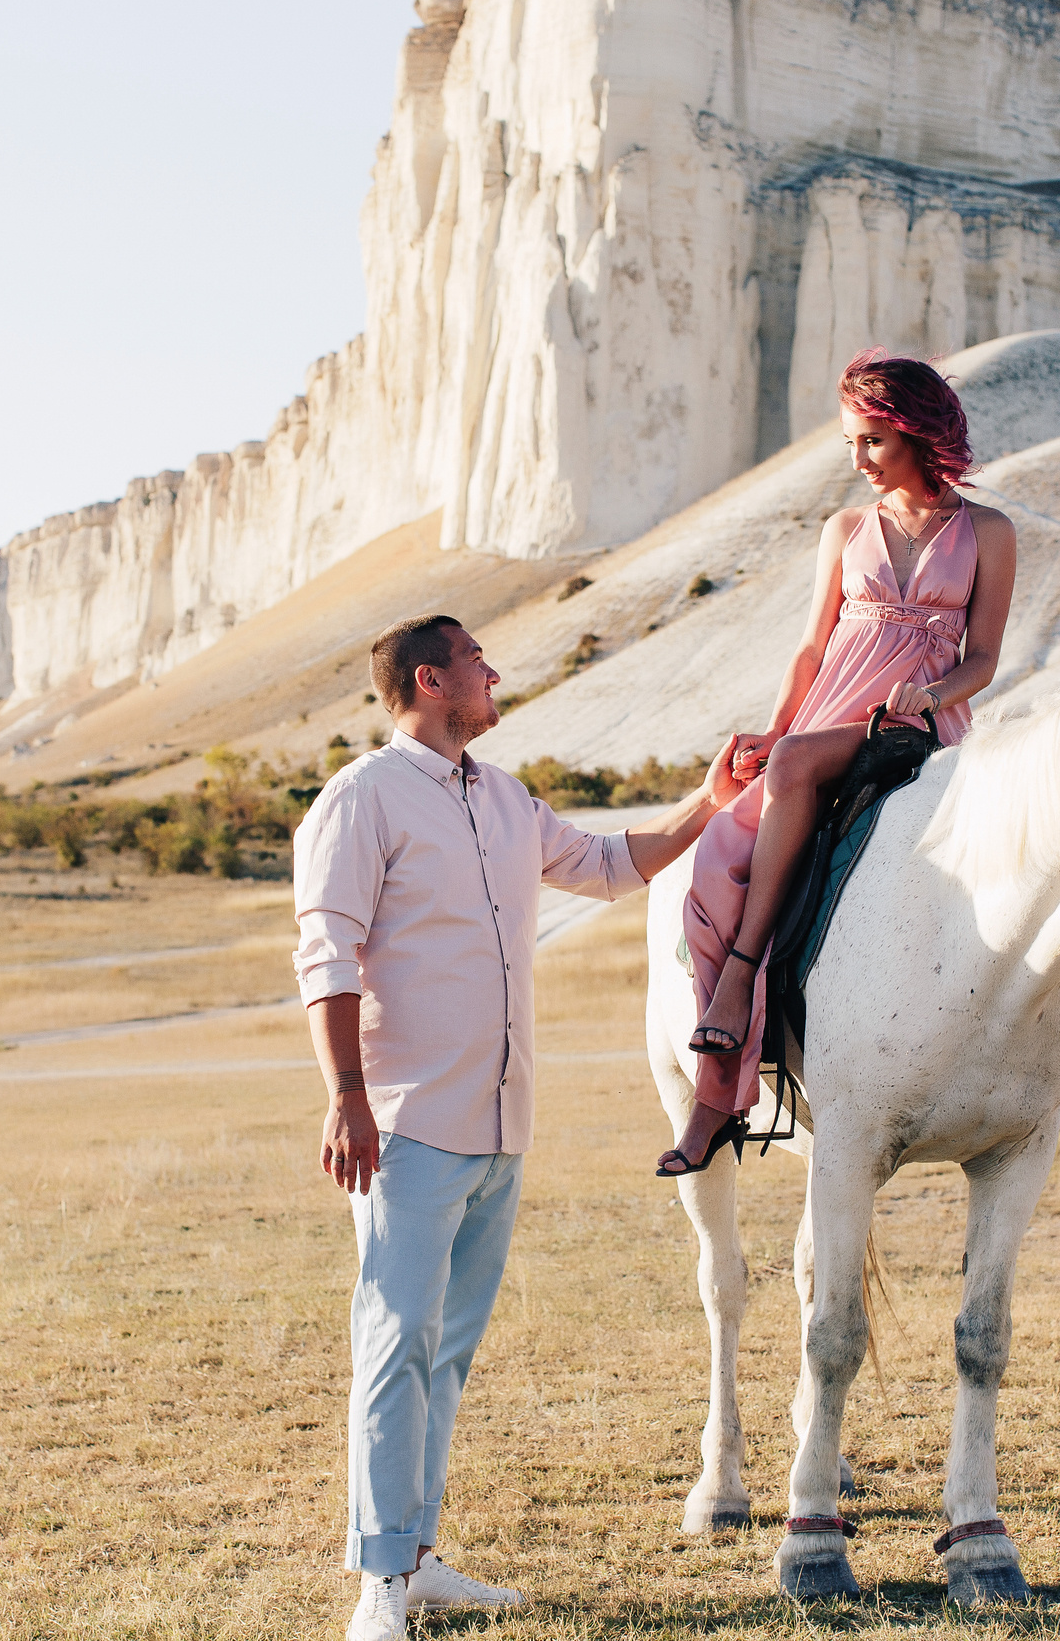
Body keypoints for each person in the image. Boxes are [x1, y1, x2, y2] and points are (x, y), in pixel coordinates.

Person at [294, 612, 739, 1641]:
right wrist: (346, 1096)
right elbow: (325, 954)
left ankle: (421, 1556)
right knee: (392, 1342)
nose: (496, 674)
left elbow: (605, 861)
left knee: (445, 1351)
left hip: (500, 1125)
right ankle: (379, 1585)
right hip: (405, 1122)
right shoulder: (360, 797)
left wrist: (710, 800)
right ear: (430, 679)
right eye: (478, 663)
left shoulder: (500, 797)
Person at [657, 350, 1019, 1178]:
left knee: (792, 775)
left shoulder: (988, 532)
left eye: (873, 443)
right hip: (825, 720)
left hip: (914, 725)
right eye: (852, 443)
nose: (857, 461)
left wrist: (929, 694)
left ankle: (736, 985)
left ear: (919, 436)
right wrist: (774, 731)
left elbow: (985, 656)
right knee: (720, 853)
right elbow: (815, 644)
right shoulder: (845, 531)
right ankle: (718, 1092)